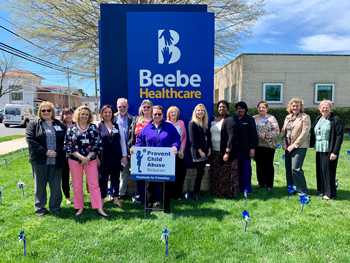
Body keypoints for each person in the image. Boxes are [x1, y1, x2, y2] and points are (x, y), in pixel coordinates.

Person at [132, 105, 181, 214]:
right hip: (150, 162)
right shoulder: (147, 127)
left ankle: (166, 207)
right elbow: (140, 141)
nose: (157, 116)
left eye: (159, 114)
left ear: (163, 115)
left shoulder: (169, 127)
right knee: (150, 185)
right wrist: (136, 149)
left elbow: (177, 139)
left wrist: (175, 147)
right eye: (155, 114)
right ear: (152, 115)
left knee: (166, 185)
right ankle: (148, 206)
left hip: (166, 162)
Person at [64, 105, 109, 217]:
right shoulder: (71, 128)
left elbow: (98, 144)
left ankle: (99, 207)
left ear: (89, 116)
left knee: (94, 184)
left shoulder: (94, 128)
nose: (84, 116)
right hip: (75, 160)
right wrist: (81, 157)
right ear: (78, 115)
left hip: (91, 160)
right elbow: (68, 145)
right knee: (77, 184)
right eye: (82, 114)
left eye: (86, 114)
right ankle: (79, 207)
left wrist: (88, 157)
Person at [26, 101, 67, 216]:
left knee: (55, 187)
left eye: (48, 110)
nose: (46, 112)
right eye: (43, 110)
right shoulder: (34, 124)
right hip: (39, 161)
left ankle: (55, 207)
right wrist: (45, 152)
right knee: (40, 187)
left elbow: (66, 141)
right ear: (40, 112)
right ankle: (40, 209)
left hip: (56, 160)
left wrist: (57, 152)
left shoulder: (60, 124)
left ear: (52, 111)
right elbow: (30, 141)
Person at [128, 100, 160, 205]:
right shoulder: (136, 120)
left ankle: (156, 199)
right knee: (140, 177)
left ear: (152, 108)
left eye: (148, 107)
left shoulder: (156, 120)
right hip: (139, 153)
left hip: (153, 152)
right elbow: (131, 136)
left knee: (154, 177)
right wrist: (131, 147)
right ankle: (142, 197)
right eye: (144, 107)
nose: (146, 109)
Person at [310, 100, 343, 200]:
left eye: (327, 107)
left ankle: (329, 194)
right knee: (321, 170)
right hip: (319, 148)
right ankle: (324, 191)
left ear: (330, 108)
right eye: (322, 107)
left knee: (328, 171)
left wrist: (335, 152)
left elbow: (339, 136)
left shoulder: (335, 120)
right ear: (319, 109)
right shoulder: (318, 119)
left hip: (329, 149)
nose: (324, 109)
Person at [97, 104, 128, 207]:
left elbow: (123, 142)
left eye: (109, 112)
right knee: (103, 179)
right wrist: (96, 157)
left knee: (115, 178)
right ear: (102, 113)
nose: (107, 114)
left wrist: (124, 155)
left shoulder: (117, 125)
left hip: (116, 156)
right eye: (105, 112)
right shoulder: (98, 126)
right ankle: (102, 199)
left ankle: (115, 199)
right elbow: (95, 143)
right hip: (104, 157)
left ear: (112, 114)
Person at [280, 98, 311, 195]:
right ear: (290, 107)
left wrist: (294, 145)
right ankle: (291, 188)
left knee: (296, 168)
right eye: (293, 106)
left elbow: (304, 133)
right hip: (288, 145)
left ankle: (302, 190)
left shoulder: (305, 117)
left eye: (297, 106)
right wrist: (284, 143)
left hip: (300, 146)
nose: (295, 107)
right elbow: (283, 131)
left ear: (301, 107)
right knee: (288, 168)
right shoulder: (288, 117)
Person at [208, 100, 239, 198]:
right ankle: (216, 192)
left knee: (226, 173)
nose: (222, 109)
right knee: (216, 173)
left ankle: (227, 193)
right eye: (220, 107)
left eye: (224, 107)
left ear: (227, 108)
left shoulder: (230, 119)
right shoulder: (213, 119)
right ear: (217, 108)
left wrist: (227, 152)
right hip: (214, 151)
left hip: (225, 152)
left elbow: (232, 137)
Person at [253, 101, 280, 191]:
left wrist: (266, 135)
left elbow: (276, 131)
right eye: (259, 107)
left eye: (263, 107)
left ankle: (269, 185)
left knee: (268, 164)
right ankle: (261, 183)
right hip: (257, 145)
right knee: (259, 164)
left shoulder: (271, 118)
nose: (261, 109)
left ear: (267, 109)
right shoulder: (254, 118)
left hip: (269, 145)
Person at [233, 101, 258, 193]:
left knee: (246, 168)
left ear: (245, 109)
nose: (241, 110)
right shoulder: (234, 119)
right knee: (238, 169)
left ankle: (247, 187)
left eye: (243, 108)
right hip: (236, 149)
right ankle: (240, 186)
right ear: (237, 109)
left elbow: (253, 134)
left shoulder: (249, 119)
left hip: (247, 148)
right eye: (239, 108)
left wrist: (252, 148)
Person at [188, 104, 211, 200]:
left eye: (202, 110)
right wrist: (200, 151)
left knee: (201, 173)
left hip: (205, 152)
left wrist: (209, 148)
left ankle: (197, 192)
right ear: (195, 112)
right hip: (197, 153)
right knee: (200, 171)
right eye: (198, 110)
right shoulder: (192, 123)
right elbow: (192, 140)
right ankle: (194, 193)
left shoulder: (205, 124)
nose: (200, 112)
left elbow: (208, 138)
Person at [166, 106, 187, 200]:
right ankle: (171, 194)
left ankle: (179, 194)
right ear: (168, 114)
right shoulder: (166, 124)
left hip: (181, 153)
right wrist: (176, 150)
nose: (173, 114)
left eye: (175, 112)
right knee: (172, 174)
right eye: (172, 112)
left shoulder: (181, 123)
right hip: (170, 154)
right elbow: (166, 138)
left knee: (182, 173)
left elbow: (184, 137)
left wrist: (181, 149)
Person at [114, 98, 133, 200]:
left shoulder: (132, 119)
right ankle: (111, 192)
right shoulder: (112, 118)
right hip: (114, 148)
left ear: (127, 107)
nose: (122, 108)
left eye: (124, 106)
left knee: (124, 171)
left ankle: (122, 192)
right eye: (120, 107)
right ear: (117, 107)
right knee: (112, 171)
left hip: (126, 147)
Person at [60, 107, 75, 204]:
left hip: (75, 155)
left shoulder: (77, 125)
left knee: (76, 177)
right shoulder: (60, 126)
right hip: (63, 155)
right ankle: (68, 197)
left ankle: (77, 196)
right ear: (63, 116)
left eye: (70, 113)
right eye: (66, 114)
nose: (68, 116)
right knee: (65, 177)